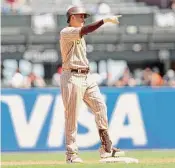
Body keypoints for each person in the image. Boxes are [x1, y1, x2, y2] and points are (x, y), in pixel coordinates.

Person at [59, 6, 123, 163]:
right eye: (80, 16)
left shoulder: (79, 32)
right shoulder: (66, 32)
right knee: (72, 116)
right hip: (72, 76)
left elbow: (85, 29)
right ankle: (71, 154)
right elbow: (87, 29)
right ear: (72, 17)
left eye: (84, 17)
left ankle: (106, 148)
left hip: (87, 75)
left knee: (100, 106)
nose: (83, 19)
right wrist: (104, 20)